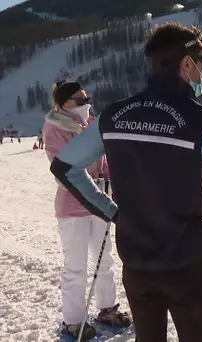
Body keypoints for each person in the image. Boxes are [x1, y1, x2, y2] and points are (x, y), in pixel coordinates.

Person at [49, 23, 202, 341]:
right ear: (187, 64)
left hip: (137, 265)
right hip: (188, 266)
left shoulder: (113, 116)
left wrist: (112, 211)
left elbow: (65, 167)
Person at [42, 80, 131, 340]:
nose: (86, 104)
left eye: (86, 98)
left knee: (105, 259)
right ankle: (73, 321)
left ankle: (107, 308)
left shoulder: (90, 124)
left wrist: (108, 176)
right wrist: (95, 182)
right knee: (76, 266)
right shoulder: (55, 128)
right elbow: (63, 171)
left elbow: (103, 158)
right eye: (79, 100)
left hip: (100, 202)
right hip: (73, 206)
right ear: (63, 103)